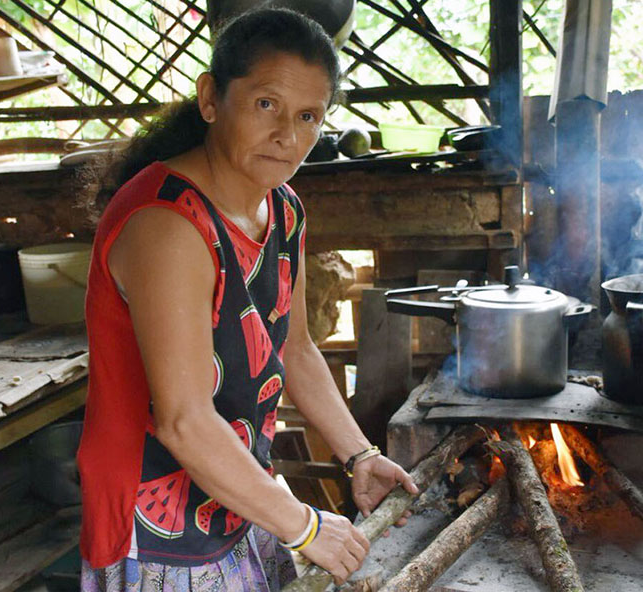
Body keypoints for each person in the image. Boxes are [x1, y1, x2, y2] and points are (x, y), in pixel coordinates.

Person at [77, 8, 418, 591]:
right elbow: (184, 421)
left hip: (236, 490)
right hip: (155, 525)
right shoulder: (166, 225)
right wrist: (304, 526)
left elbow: (296, 349)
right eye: (266, 104)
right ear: (211, 98)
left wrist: (360, 455)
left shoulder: (282, 207)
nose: (288, 135)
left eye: (308, 116)